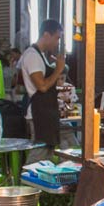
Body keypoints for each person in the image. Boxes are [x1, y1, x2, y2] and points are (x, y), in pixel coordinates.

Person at [20, 19, 66, 150]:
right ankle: (24, 172)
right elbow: (42, 86)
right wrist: (58, 69)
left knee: (47, 154)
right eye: (57, 38)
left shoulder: (41, 55)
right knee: (39, 153)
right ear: (46, 35)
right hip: (38, 114)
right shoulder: (32, 56)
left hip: (47, 112)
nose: (57, 43)